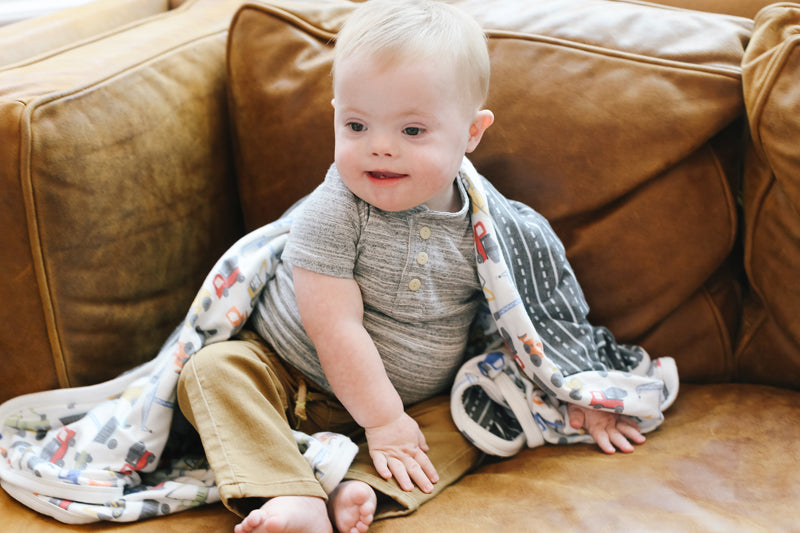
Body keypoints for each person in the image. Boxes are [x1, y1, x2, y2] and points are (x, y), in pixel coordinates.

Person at [176, 1, 655, 532]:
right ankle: (291, 493)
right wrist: (381, 420)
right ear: (335, 114)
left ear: (471, 133)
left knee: (478, 414)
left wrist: (575, 388)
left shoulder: (492, 226)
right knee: (212, 372)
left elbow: (542, 309)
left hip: (415, 404)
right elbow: (333, 326)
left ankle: (362, 487)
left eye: (412, 131)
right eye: (356, 124)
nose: (380, 147)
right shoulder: (334, 211)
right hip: (289, 379)